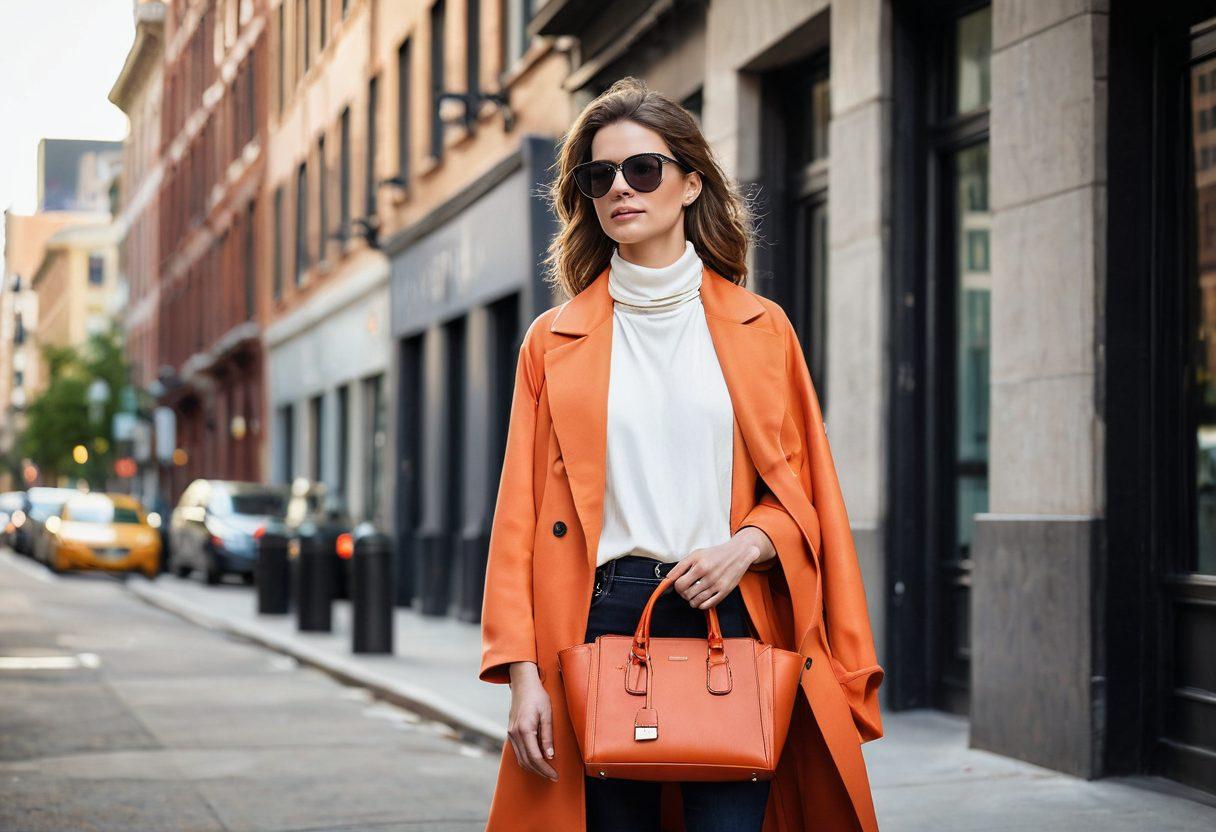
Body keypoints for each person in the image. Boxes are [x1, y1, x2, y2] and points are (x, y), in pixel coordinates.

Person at [479, 77, 885, 832]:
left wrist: (749, 546)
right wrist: (522, 677)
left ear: (692, 180)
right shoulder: (551, 340)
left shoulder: (763, 329)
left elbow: (803, 493)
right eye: (598, 177)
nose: (620, 190)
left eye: (643, 169)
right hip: (598, 623)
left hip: (729, 618)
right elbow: (519, 519)